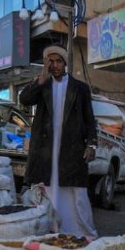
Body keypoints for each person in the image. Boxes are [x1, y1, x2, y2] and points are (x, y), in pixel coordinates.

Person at [19, 45, 98, 237]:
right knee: (48, 187)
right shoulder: (42, 84)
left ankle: (81, 233)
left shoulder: (80, 88)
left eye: (58, 61)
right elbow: (24, 100)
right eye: (50, 62)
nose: (54, 65)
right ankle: (52, 229)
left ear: (65, 64)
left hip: (71, 148)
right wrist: (40, 80)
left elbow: (89, 118)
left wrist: (91, 144)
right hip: (46, 148)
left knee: (75, 194)